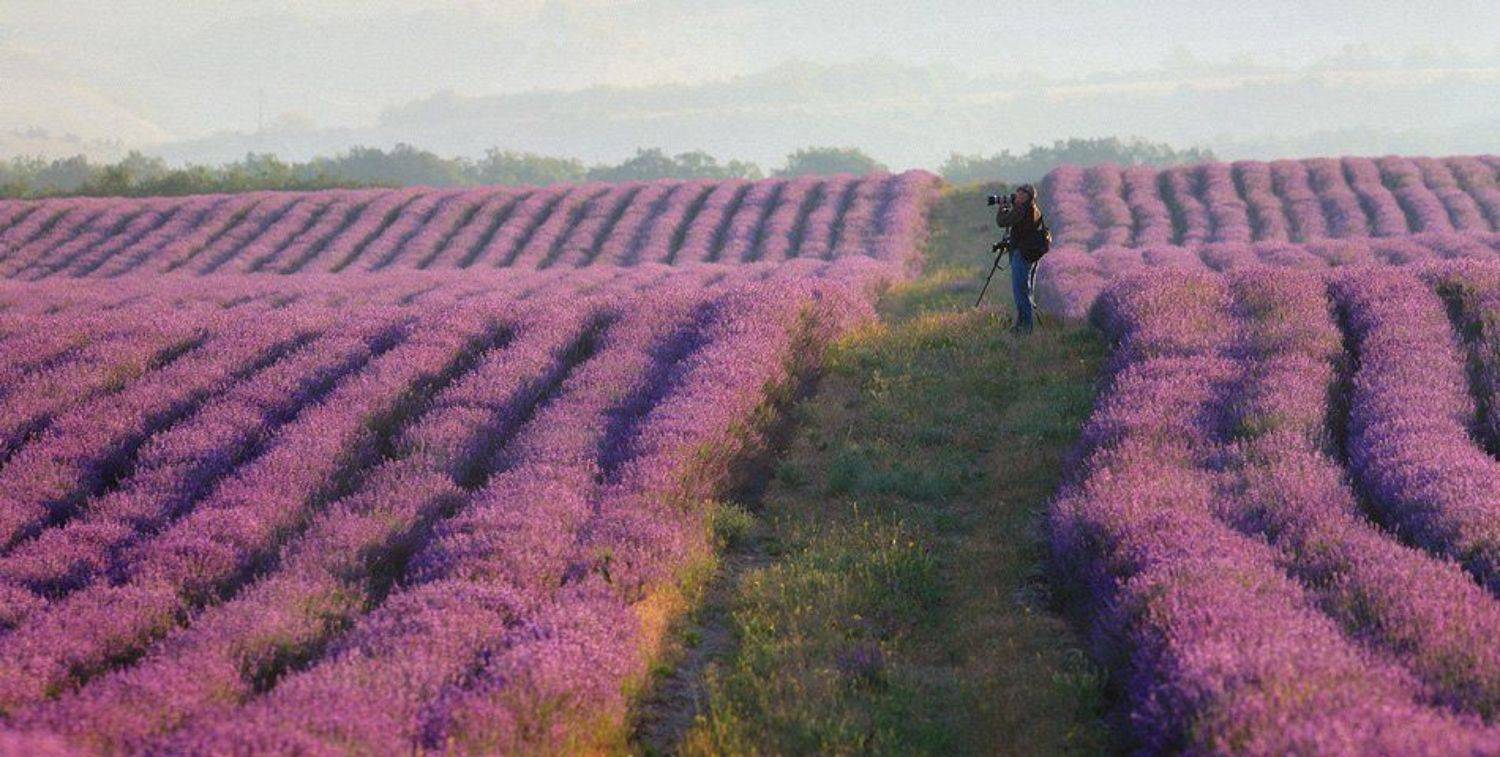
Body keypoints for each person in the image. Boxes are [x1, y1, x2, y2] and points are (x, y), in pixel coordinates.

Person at [993, 183, 1047, 334]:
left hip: (1022, 254)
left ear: (1026, 196)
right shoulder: (1034, 208)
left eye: (1019, 193)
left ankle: (1025, 328)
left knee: (1021, 292)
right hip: (1031, 254)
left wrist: (1001, 209)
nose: (1015, 195)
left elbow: (1002, 222)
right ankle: (1022, 325)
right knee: (1026, 291)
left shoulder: (1022, 209)